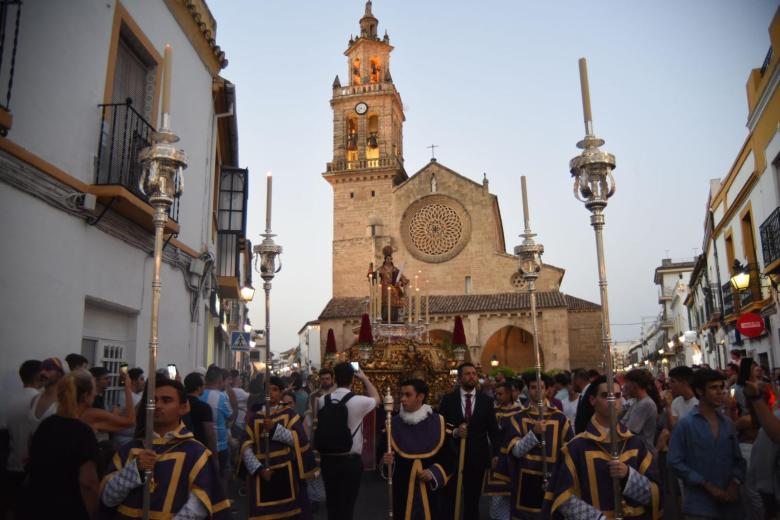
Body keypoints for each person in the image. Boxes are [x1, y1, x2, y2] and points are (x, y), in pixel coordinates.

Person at [100, 376, 231, 519]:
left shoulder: (197, 453)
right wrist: (135, 469)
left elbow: (197, 508)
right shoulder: (129, 450)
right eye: (153, 400)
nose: (158, 405)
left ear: (184, 407)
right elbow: (108, 498)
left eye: (166, 400)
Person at [545, 376, 662, 519]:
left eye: (617, 396)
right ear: (592, 400)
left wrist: (628, 476)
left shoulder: (635, 444)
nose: (613, 401)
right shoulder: (576, 448)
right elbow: (564, 498)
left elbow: (655, 495)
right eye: (606, 395)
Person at [668, 369, 745, 519]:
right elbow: (674, 461)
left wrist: (734, 484)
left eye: (721, 387)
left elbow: (738, 459)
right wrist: (706, 484)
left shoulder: (728, 424)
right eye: (713, 388)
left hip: (730, 504)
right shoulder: (686, 425)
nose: (719, 392)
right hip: (700, 506)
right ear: (699, 391)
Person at [240, 376, 317, 519]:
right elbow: (245, 447)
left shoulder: (289, 414)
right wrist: (258, 469)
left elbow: (298, 440)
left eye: (275, 390)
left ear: (281, 393)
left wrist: (275, 429)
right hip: (263, 473)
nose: (271, 393)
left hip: (285, 473)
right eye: (267, 389)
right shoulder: (255, 417)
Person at [28, 369, 100, 519]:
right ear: (86, 395)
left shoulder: (46, 425)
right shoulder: (83, 432)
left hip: (39, 504)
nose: (96, 394)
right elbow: (88, 482)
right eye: (93, 391)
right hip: (69, 508)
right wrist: (95, 512)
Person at [500, 377, 573, 519]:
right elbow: (515, 452)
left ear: (547, 390)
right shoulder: (518, 418)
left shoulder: (560, 418)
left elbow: (569, 451)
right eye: (533, 387)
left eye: (541, 387)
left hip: (553, 479)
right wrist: (534, 434)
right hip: (525, 481)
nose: (538, 391)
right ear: (528, 391)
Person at [316, 362, 380, 520]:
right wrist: (364, 379)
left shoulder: (323, 400)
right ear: (352, 379)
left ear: (334, 379)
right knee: (347, 505)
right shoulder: (359, 401)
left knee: (332, 504)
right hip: (349, 461)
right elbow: (377, 399)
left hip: (328, 459)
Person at [381, 379, 453, 519]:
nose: (402, 399)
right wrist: (387, 461)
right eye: (401, 394)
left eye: (407, 395)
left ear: (420, 397)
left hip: (431, 491)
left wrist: (434, 473)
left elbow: (449, 457)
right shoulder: (392, 424)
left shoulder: (439, 422)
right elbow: (384, 460)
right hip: (402, 489)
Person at [438, 362, 500, 520]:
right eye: (467, 374)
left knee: (472, 501)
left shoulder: (485, 401)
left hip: (477, 458)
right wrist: (456, 432)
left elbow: (493, 429)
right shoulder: (448, 400)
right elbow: (442, 427)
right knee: (450, 498)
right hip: (453, 457)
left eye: (474, 373)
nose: (472, 376)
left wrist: (496, 454)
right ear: (459, 378)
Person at [0, 360, 41, 518]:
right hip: (32, 467)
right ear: (40, 376)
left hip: (11, 463)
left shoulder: (9, 399)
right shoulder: (39, 400)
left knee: (12, 508)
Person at [484, 381, 521, 520]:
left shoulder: (519, 411)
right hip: (496, 458)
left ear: (509, 393)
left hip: (513, 459)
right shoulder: (493, 411)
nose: (498, 397)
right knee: (496, 499)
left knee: (513, 497)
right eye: (496, 394)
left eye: (501, 394)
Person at [200, 365, 233, 480]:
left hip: (200, 444)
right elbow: (230, 415)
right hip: (220, 444)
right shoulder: (222, 397)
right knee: (220, 477)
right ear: (220, 381)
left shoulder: (198, 395)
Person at [620, 368, 659, 455]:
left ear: (634, 385)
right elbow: (623, 421)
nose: (625, 386)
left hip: (643, 452)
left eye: (627, 383)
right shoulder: (636, 401)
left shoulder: (646, 404)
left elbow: (628, 430)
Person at [29, 357, 65, 434]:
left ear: (59, 374)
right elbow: (31, 433)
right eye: (41, 370)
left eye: (48, 369)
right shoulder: (35, 399)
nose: (42, 373)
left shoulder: (64, 402)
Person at [183, 372, 217, 453]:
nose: (205, 387)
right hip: (200, 449)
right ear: (198, 388)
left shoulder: (180, 404)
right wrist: (214, 455)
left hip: (182, 447)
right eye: (204, 385)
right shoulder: (204, 407)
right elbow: (210, 434)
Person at [114, 368, 145, 448]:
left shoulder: (137, 395)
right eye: (141, 379)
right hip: (125, 441)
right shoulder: (125, 397)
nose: (143, 382)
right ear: (134, 381)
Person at [571, 368, 592, 434]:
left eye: (572, 381)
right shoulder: (583, 395)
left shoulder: (591, 394)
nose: (571, 385)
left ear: (578, 380)